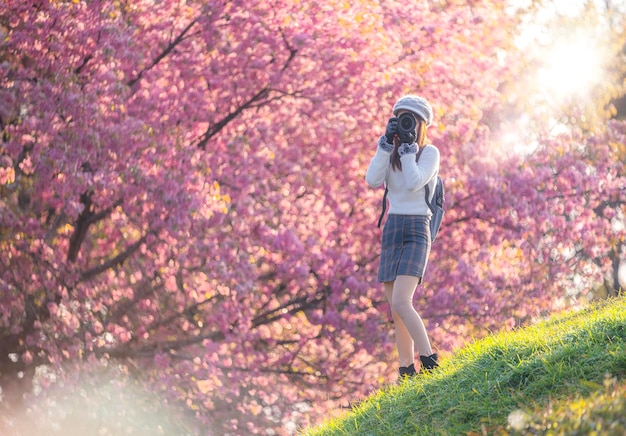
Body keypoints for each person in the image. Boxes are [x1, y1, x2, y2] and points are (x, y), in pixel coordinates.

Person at [365, 94, 440, 378]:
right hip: (393, 228)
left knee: (401, 301)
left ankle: (430, 361)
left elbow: (414, 182)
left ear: (421, 124)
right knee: (394, 309)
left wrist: (409, 150)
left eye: (410, 119)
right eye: (400, 118)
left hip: (418, 228)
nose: (405, 123)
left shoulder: (429, 153)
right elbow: (372, 180)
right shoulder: (391, 152)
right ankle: (407, 372)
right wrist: (385, 148)